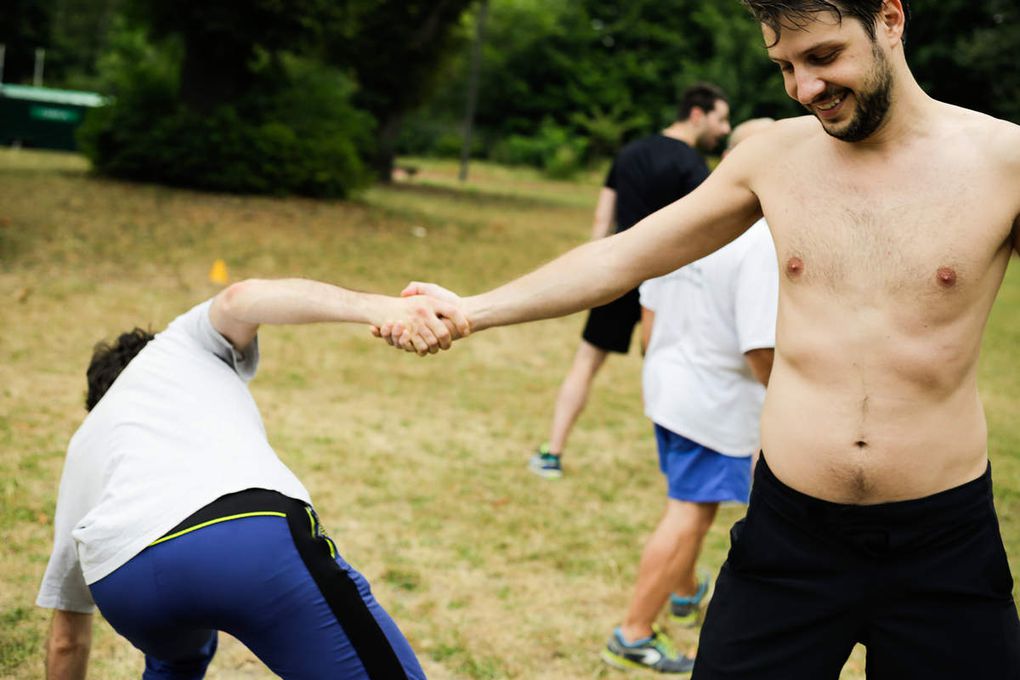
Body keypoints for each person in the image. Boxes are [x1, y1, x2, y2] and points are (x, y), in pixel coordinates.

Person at [380, 1, 1020, 676]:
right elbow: (625, 256)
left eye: (825, 57)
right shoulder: (774, 157)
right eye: (785, 67)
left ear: (889, 18)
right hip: (790, 540)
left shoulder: (1003, 161)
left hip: (944, 543)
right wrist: (474, 309)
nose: (803, 89)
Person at [36, 278, 467, 680]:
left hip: (124, 584)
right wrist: (381, 307)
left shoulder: (84, 445)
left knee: (180, 652)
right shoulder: (175, 346)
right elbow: (239, 299)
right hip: (239, 535)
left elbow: (66, 636)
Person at [601, 118, 779, 674]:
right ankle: (633, 631)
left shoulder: (682, 222)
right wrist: (795, 397)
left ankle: (683, 593)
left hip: (669, 389)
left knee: (687, 503)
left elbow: (648, 322)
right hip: (714, 403)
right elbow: (760, 348)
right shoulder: (758, 240)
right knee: (690, 513)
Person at [530, 83, 732, 479]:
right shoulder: (692, 168)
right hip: (670, 282)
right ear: (697, 114)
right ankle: (685, 466)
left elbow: (601, 222)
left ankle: (552, 452)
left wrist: (592, 275)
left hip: (616, 276)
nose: (724, 129)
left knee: (585, 363)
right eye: (720, 119)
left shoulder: (630, 152)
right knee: (676, 371)